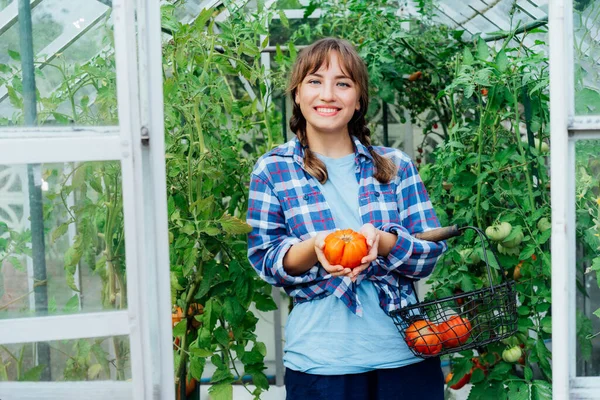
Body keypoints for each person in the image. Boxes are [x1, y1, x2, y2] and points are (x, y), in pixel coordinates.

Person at [246, 37, 447, 400]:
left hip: (405, 357)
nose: (328, 94)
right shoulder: (272, 170)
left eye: (343, 83)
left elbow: (429, 253)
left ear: (358, 101)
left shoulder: (395, 166)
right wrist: (314, 248)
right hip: (321, 364)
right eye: (315, 81)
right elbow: (265, 260)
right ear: (297, 94)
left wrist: (385, 242)